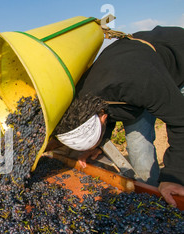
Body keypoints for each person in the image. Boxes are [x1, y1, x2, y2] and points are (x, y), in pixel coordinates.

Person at [52, 26, 184, 207]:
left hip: (176, 59)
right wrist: (98, 143)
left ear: (102, 117)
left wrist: (174, 175)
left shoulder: (141, 83)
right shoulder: (83, 98)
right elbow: (108, 109)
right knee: (138, 147)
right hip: (133, 80)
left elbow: (181, 120)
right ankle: (152, 201)